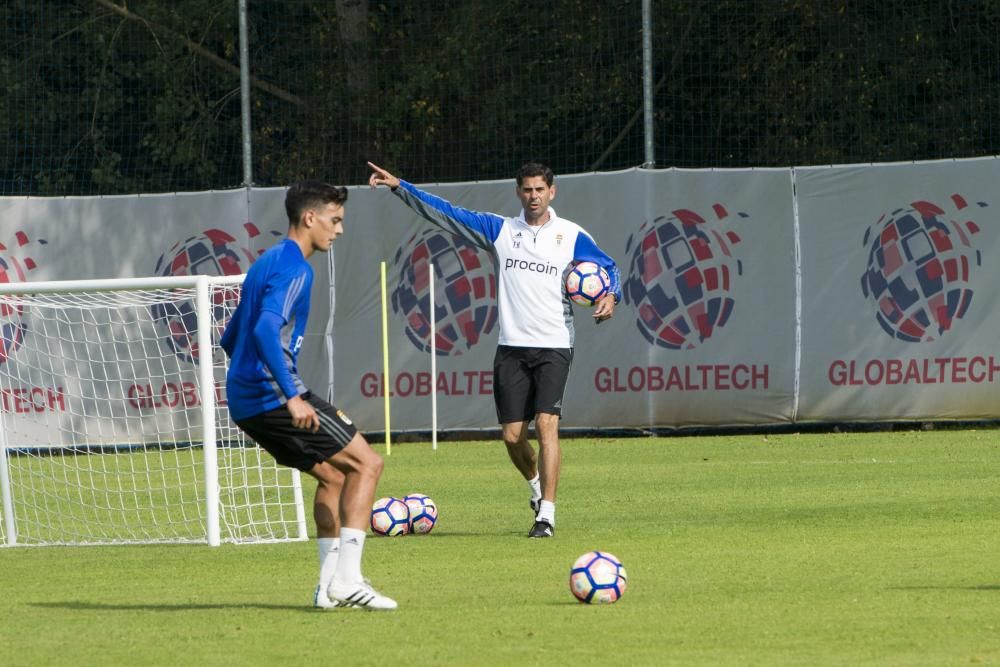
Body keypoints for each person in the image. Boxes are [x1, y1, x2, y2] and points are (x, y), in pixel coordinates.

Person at [368, 161, 621, 538]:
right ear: (518, 192)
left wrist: (611, 296)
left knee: (547, 426)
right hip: (511, 348)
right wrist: (400, 187)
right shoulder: (501, 230)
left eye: (540, 190)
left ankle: (547, 516)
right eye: (527, 190)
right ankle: (536, 490)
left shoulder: (571, 235)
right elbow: (447, 214)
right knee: (512, 437)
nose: (533, 196)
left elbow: (608, 267)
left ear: (552, 192)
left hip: (554, 344)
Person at [220, 181, 396, 610]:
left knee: (334, 476)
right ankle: (348, 581)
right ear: (309, 218)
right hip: (272, 396)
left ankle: (326, 587)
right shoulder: (297, 268)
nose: (339, 230)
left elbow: (230, 337)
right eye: (335, 221)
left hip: (247, 401)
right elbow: (263, 329)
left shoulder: (266, 262)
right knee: (367, 464)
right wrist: (292, 394)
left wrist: (253, 376)